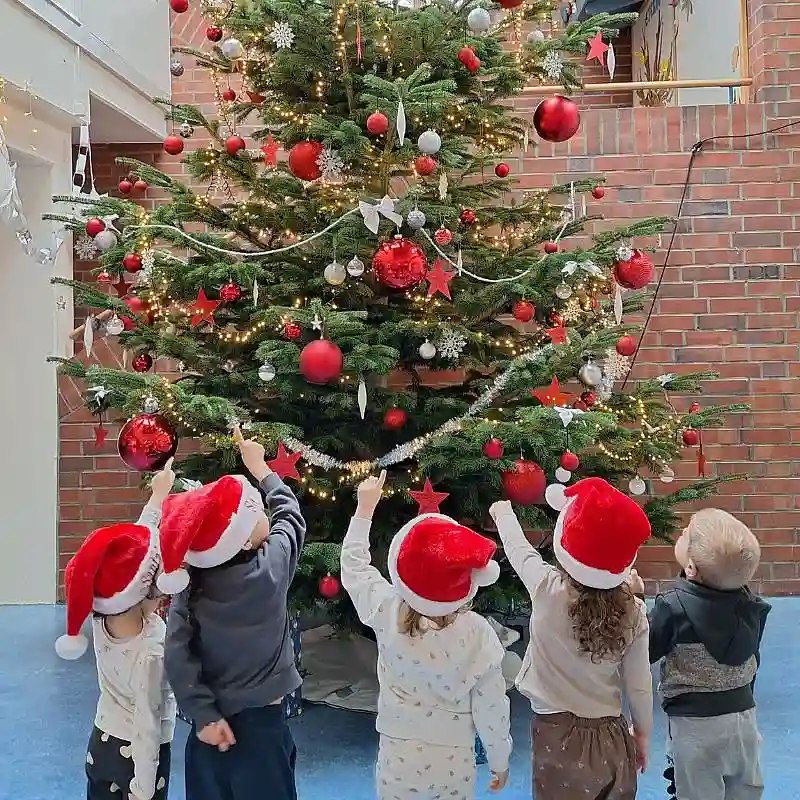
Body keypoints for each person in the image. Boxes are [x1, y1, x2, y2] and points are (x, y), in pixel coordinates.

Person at [341, 470, 512, 800]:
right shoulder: (479, 635)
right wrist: (499, 761)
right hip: (453, 759)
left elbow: (354, 569)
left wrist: (364, 510)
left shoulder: (387, 609)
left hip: (398, 754)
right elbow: (492, 707)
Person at [159, 427, 306, 800]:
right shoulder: (271, 568)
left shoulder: (189, 587)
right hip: (264, 728)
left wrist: (203, 715)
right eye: (256, 511)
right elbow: (290, 516)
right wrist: (262, 470)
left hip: (208, 731)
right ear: (243, 537)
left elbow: (177, 655)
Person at [489, 477, 653, 800]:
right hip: (610, 736)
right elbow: (639, 684)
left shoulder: (545, 587)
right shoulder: (634, 613)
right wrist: (643, 733)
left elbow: (520, 551)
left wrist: (503, 514)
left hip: (554, 733)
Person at [55, 459, 177, 800]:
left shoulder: (102, 615)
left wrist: (158, 496)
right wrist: (143, 788)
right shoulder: (152, 648)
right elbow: (147, 725)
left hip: (102, 742)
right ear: (152, 591)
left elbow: (129, 555)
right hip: (136, 763)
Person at [631, 508, 771, 800]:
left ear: (692, 568)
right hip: (743, 717)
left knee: (696, 791)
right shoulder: (752, 607)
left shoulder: (673, 606)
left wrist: (634, 602)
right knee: (745, 789)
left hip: (694, 724)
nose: (681, 533)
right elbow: (753, 658)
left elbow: (642, 650)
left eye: (685, 534)